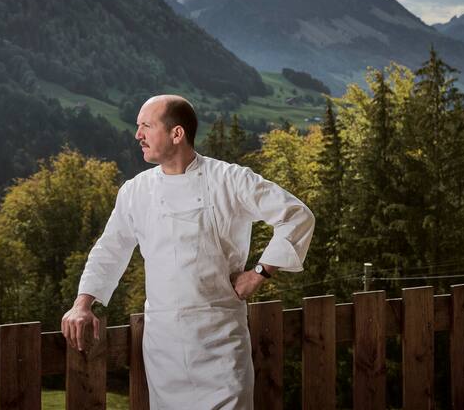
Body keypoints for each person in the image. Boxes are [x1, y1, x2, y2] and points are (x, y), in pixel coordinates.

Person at [61, 94, 315, 409]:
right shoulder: (135, 191)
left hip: (220, 342)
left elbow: (297, 215)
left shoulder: (230, 180)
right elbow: (110, 250)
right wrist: (82, 304)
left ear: (176, 133)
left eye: (146, 126)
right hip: (163, 346)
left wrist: (259, 274)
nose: (137, 135)